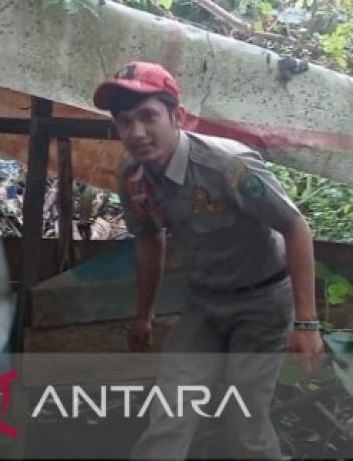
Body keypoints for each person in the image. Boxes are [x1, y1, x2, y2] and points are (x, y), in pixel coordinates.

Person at [93, 61, 324, 459]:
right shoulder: (132, 174)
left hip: (263, 302)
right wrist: (143, 314)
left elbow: (294, 226)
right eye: (125, 121)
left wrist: (306, 322)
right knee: (169, 416)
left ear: (177, 116)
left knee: (246, 425)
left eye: (148, 116)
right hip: (205, 303)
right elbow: (148, 240)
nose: (136, 133)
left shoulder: (228, 167)